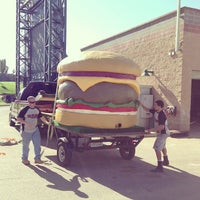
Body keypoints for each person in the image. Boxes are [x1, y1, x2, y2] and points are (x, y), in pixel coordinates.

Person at [139, 99, 170, 172]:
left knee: (157, 148)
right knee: (162, 146)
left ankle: (160, 166)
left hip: (163, 133)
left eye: (155, 105)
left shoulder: (162, 114)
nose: (154, 106)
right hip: (163, 132)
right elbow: (147, 110)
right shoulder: (156, 111)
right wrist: (140, 103)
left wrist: (150, 130)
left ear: (159, 106)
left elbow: (161, 127)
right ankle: (166, 160)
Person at [17, 96, 49, 165]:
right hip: (26, 131)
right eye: (31, 102)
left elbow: (41, 116)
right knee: (25, 146)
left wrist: (47, 122)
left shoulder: (37, 109)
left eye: (34, 102)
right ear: (28, 102)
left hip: (35, 130)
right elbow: (19, 119)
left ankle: (37, 159)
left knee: (37, 145)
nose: (33, 103)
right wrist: (26, 123)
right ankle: (24, 159)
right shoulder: (24, 110)